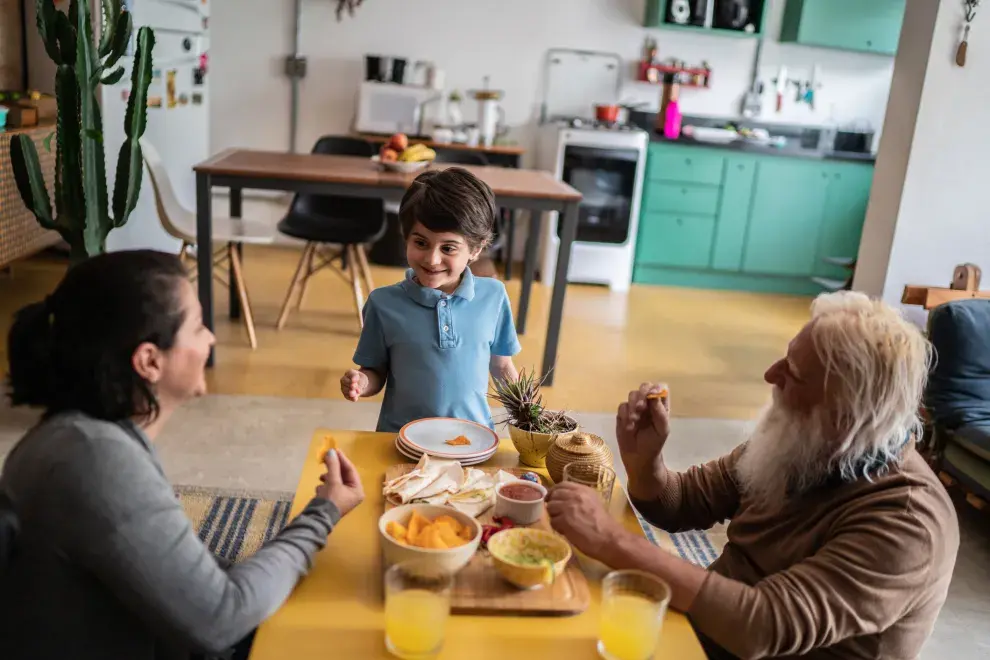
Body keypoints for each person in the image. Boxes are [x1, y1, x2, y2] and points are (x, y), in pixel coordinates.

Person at [547, 291, 959, 659]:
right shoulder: (809, 440)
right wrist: (646, 464)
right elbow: (685, 504)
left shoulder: (908, 522)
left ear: (846, 414)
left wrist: (611, 540)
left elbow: (761, 626)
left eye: (793, 372)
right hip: (700, 634)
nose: (770, 375)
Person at [0, 250, 365, 659]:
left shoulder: (81, 436)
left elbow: (185, 572)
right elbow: (220, 617)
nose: (211, 339)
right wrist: (322, 514)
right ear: (149, 361)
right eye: (198, 327)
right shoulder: (97, 462)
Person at [340, 167, 521, 432]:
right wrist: (362, 382)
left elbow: (502, 365)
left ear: (476, 248)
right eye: (421, 243)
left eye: (448, 248)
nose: (432, 259)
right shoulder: (382, 303)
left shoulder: (493, 296)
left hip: (474, 440)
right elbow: (375, 371)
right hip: (401, 440)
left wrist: (529, 415)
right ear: (406, 237)